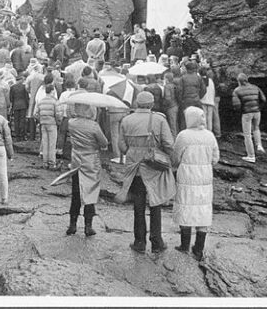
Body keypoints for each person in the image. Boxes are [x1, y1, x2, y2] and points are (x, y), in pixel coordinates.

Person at [118, 91, 175, 253]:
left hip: (134, 167)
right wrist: (172, 159)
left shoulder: (126, 120)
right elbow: (169, 143)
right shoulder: (159, 119)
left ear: (137, 103)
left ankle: (139, 242)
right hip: (153, 166)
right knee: (155, 203)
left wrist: (133, 151)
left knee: (138, 204)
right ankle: (157, 242)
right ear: (151, 104)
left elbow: (121, 146)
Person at [172, 106, 219, 260]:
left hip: (186, 176)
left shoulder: (183, 136)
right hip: (205, 176)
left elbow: (175, 157)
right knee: (203, 208)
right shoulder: (210, 136)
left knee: (186, 206)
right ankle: (198, 248)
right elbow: (215, 158)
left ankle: (184, 245)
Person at [65, 102, 109, 237]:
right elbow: (104, 142)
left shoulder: (71, 122)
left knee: (76, 192)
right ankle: (88, 226)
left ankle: (72, 224)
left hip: (76, 160)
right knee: (90, 193)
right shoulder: (94, 126)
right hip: (90, 162)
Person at [232, 72, 267, 163]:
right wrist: (259, 108)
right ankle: (259, 145)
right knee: (256, 128)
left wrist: (241, 111)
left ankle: (251, 156)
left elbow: (236, 105)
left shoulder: (237, 90)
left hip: (247, 113)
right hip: (257, 112)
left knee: (247, 135)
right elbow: (263, 99)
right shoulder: (255, 87)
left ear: (238, 81)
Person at [35, 84, 61, 169]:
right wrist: (58, 122)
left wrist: (40, 120)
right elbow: (58, 114)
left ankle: (45, 163)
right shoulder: (55, 101)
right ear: (52, 91)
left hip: (43, 124)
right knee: (52, 144)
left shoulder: (41, 101)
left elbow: (35, 114)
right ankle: (52, 162)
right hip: (52, 124)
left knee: (45, 143)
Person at [9, 72, 29, 139]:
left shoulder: (12, 87)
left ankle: (17, 135)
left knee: (16, 121)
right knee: (22, 120)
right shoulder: (23, 87)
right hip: (23, 105)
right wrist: (27, 105)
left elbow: (11, 98)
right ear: (20, 80)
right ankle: (22, 134)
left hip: (15, 105)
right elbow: (26, 97)